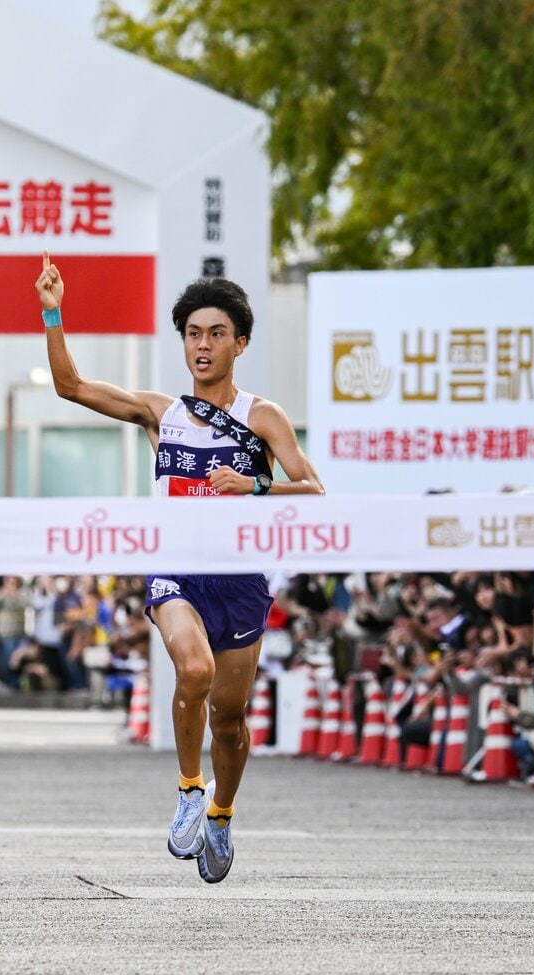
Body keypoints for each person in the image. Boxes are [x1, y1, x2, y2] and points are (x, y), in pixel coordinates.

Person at [35, 253, 323, 883]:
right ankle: (190, 790)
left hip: (240, 579)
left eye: (217, 333)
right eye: (193, 333)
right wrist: (54, 310)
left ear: (239, 343)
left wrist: (253, 488)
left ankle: (221, 812)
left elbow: (314, 489)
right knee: (192, 668)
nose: (203, 344)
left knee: (230, 716)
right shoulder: (159, 413)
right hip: (176, 572)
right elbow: (71, 387)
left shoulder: (261, 417)